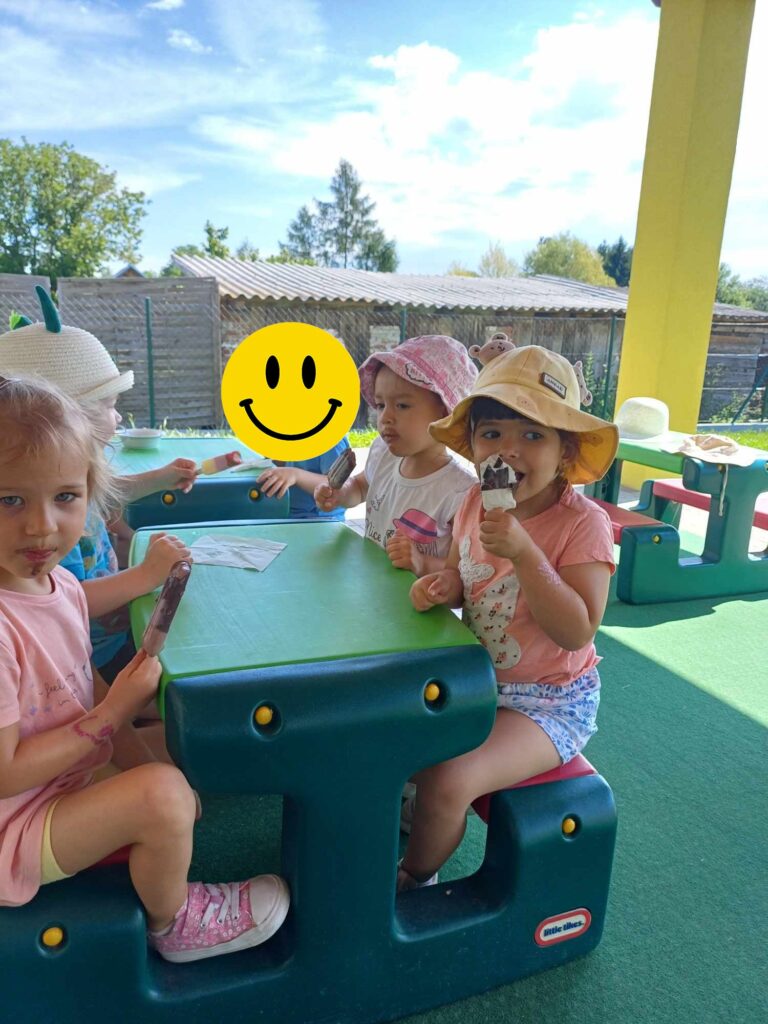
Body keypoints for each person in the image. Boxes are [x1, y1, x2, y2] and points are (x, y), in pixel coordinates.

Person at [0, 376, 290, 959]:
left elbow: (77, 617)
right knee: (163, 795)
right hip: (16, 826)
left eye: (65, 497)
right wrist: (113, 715)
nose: (42, 526)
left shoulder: (46, 581)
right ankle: (173, 921)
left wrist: (144, 577)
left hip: (61, 780)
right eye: (10, 501)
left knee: (175, 746)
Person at [398, 345, 618, 890]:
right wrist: (441, 584)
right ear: (473, 444)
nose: (508, 450)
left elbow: (577, 630)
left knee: (449, 780)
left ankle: (413, 879)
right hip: (479, 682)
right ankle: (414, 815)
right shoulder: (475, 501)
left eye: (533, 435)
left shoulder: (582, 524)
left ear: (566, 451)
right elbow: (461, 575)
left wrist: (525, 553)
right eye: (492, 433)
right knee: (392, 736)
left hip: (549, 702)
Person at [0, 287, 198, 683]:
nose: (118, 417)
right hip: (86, 654)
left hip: (106, 641)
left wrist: (160, 480)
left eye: (66, 495)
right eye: (109, 405)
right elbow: (62, 600)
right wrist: (145, 574)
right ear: (67, 417)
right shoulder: (37, 536)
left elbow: (105, 495)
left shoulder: (58, 492)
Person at [314, 335, 478, 576]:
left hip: (416, 598)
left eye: (402, 405)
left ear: (446, 414)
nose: (385, 418)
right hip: (373, 584)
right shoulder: (383, 453)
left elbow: (467, 569)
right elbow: (361, 487)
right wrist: (341, 493)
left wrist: (422, 562)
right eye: (381, 405)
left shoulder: (461, 492)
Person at [258, 436, 351, 520]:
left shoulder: (331, 440)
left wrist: (296, 475)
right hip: (291, 513)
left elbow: (336, 485)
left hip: (319, 520)